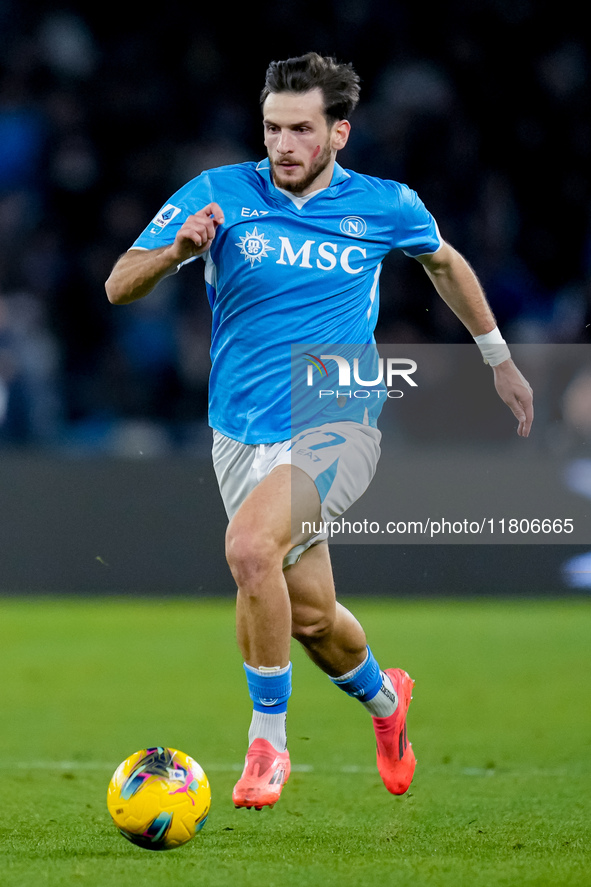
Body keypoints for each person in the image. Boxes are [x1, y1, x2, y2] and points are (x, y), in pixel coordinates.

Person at [105, 52, 533, 811]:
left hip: (337, 421)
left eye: (301, 129)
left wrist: (497, 359)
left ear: (338, 131)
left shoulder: (386, 205)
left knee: (246, 549)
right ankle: (384, 700)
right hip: (238, 431)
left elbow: (444, 263)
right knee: (306, 616)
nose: (283, 144)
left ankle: (267, 742)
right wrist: (178, 250)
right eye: (272, 127)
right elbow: (118, 284)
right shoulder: (219, 193)